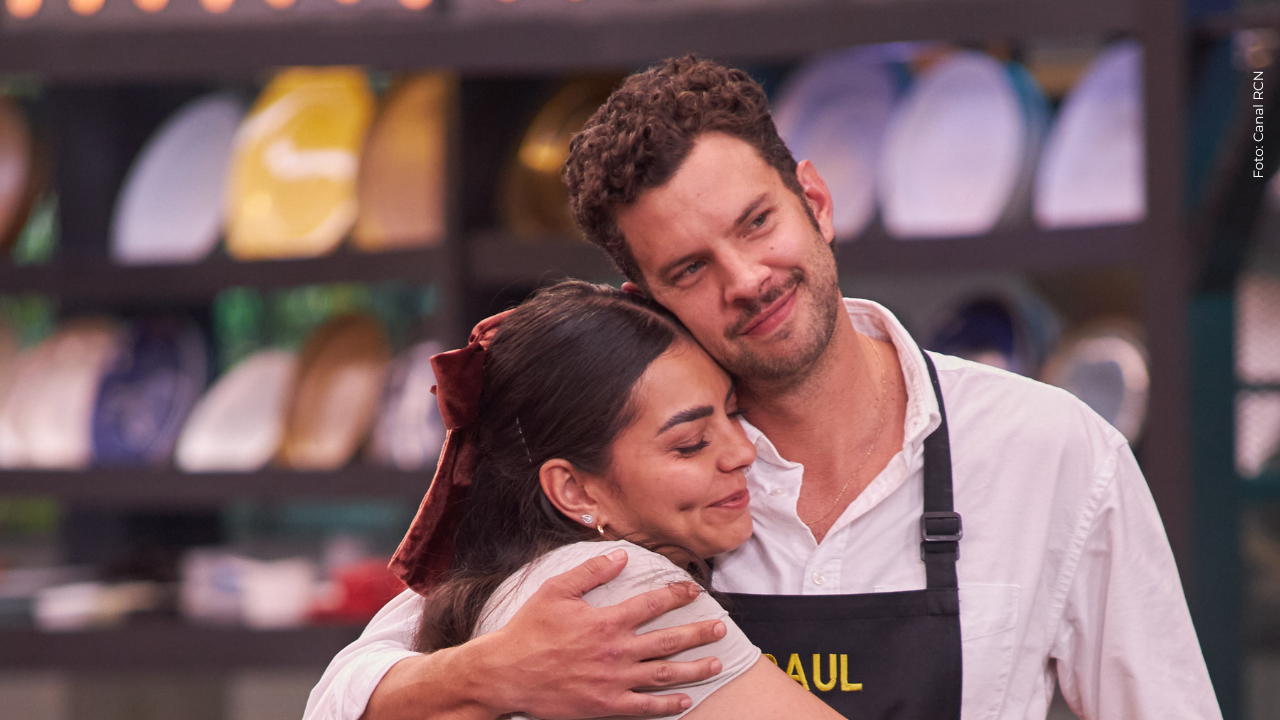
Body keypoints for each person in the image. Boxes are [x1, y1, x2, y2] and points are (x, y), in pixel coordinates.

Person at [305, 56, 1221, 720]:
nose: (745, 278)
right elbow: (342, 695)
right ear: (646, 298)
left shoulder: (1050, 451)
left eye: (757, 222)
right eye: (691, 267)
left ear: (814, 202)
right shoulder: (635, 487)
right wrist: (492, 671)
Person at [399, 280, 843, 720]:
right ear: (575, 491)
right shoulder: (618, 588)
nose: (744, 453)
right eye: (690, 443)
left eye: (733, 414)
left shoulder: (507, 579)